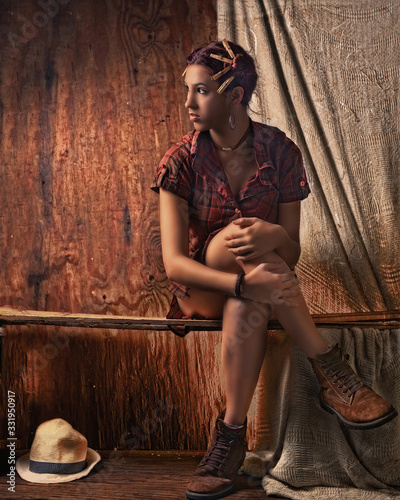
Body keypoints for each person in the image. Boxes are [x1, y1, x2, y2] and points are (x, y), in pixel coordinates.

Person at [150, 40, 397, 500]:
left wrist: (274, 239)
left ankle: (229, 437)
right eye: (188, 90)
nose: (188, 103)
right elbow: (174, 263)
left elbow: (291, 251)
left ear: (235, 96)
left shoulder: (280, 151)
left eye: (200, 91)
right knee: (237, 240)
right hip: (201, 288)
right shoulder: (180, 160)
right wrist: (245, 275)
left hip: (257, 289)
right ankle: (333, 373)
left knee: (250, 306)